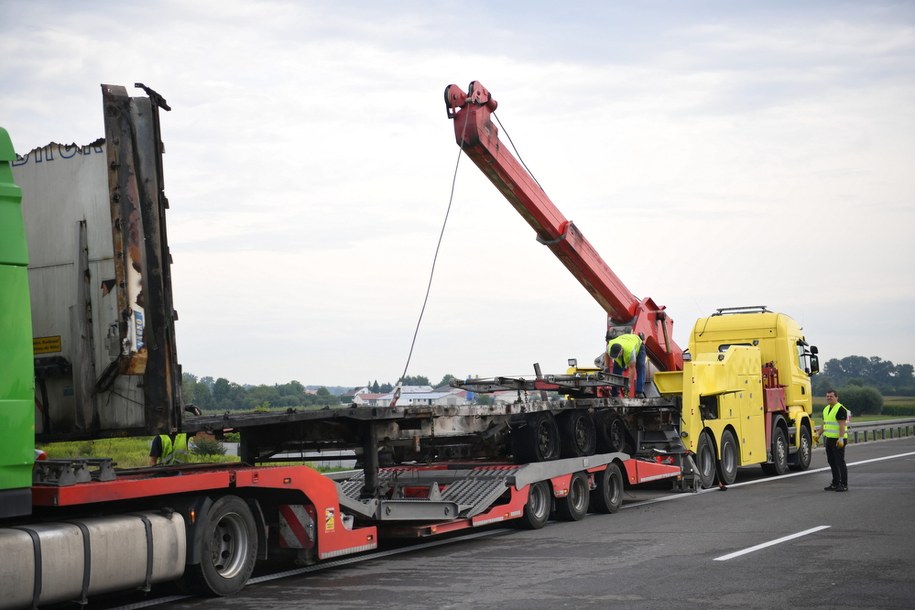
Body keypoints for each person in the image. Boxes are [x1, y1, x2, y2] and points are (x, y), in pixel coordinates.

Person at [817, 389, 849, 492]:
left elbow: (842, 426)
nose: (829, 398)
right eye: (827, 396)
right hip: (829, 439)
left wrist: (840, 439)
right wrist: (818, 434)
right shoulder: (826, 409)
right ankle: (835, 483)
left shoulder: (840, 409)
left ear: (836, 397)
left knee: (840, 462)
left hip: (838, 439)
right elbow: (824, 424)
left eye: (831, 396)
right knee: (831, 461)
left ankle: (844, 484)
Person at [604, 332, 647, 398]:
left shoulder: (630, 352)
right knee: (616, 370)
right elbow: (606, 354)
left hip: (638, 344)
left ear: (621, 351)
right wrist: (606, 367)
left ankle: (639, 392)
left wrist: (628, 385)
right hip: (624, 341)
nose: (616, 358)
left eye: (617, 356)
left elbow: (632, 369)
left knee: (640, 366)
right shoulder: (609, 347)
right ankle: (615, 394)